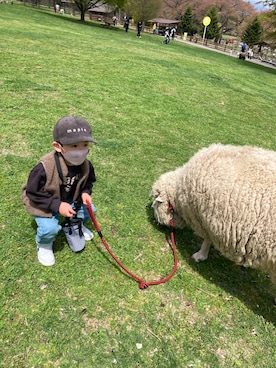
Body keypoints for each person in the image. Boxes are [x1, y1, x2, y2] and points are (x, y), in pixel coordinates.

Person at [22, 116, 97, 266]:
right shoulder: (44, 167)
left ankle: (78, 224)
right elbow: (32, 192)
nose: (81, 151)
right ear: (58, 146)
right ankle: (43, 244)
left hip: (70, 199)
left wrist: (85, 192)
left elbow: (89, 181)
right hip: (43, 200)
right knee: (49, 228)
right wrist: (57, 206)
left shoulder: (86, 165)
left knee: (90, 209)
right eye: (74, 146)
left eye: (85, 145)